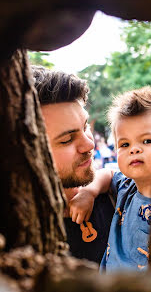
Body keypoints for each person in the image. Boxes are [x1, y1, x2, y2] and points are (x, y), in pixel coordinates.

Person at [73, 86, 151, 271]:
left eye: (147, 141)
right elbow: (107, 174)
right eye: (125, 144)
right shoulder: (126, 186)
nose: (134, 149)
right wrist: (88, 192)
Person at [31, 65, 115, 264]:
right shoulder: (16, 238)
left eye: (85, 126)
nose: (89, 144)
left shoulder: (121, 197)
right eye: (67, 139)